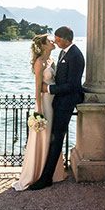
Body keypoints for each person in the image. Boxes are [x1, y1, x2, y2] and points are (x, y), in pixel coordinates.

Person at [27, 26, 84, 191]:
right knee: (53, 139)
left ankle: (46, 178)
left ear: (67, 39)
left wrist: (49, 89)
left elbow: (73, 85)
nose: (56, 42)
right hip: (55, 102)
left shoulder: (76, 55)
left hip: (66, 102)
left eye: (58, 39)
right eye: (54, 39)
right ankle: (48, 174)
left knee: (57, 139)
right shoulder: (62, 53)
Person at [12, 34, 64, 190]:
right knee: (43, 136)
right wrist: (39, 108)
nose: (53, 42)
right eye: (49, 41)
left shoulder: (52, 61)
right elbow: (37, 89)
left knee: (52, 137)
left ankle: (52, 172)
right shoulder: (39, 62)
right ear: (43, 45)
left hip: (55, 102)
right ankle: (36, 172)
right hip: (45, 103)